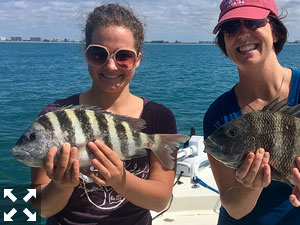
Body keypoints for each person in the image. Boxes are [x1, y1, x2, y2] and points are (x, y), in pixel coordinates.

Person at [30, 3, 177, 225]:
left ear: (137, 59)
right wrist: (61, 185)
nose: (110, 66)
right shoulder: (53, 119)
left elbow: (160, 201)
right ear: (86, 54)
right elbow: (42, 208)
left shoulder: (159, 118)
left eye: (123, 57)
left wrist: (121, 180)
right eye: (98, 54)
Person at [203, 0, 300, 224]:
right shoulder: (218, 114)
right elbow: (234, 208)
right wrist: (249, 187)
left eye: (253, 22)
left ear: (275, 32)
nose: (243, 33)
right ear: (224, 43)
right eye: (231, 28)